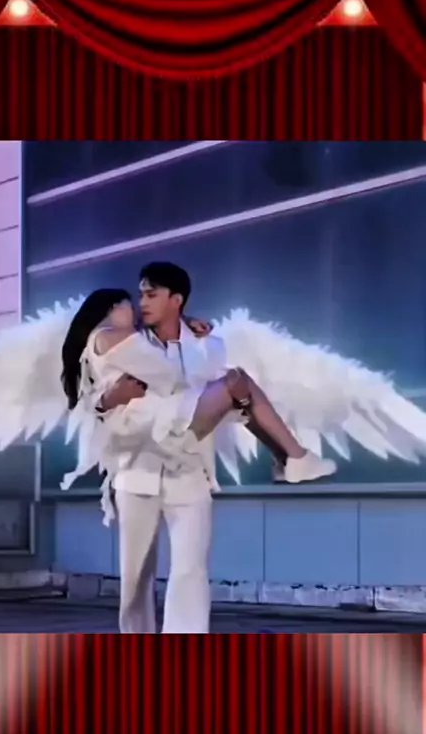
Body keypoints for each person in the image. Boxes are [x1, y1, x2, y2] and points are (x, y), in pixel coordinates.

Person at [60, 263, 336, 634]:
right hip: (138, 468)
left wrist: (232, 396)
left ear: (176, 299)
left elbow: (216, 401)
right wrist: (109, 398)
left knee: (191, 570)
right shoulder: (124, 342)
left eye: (150, 294)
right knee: (136, 577)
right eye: (139, 296)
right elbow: (100, 400)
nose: (141, 303)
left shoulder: (208, 345)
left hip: (188, 466)